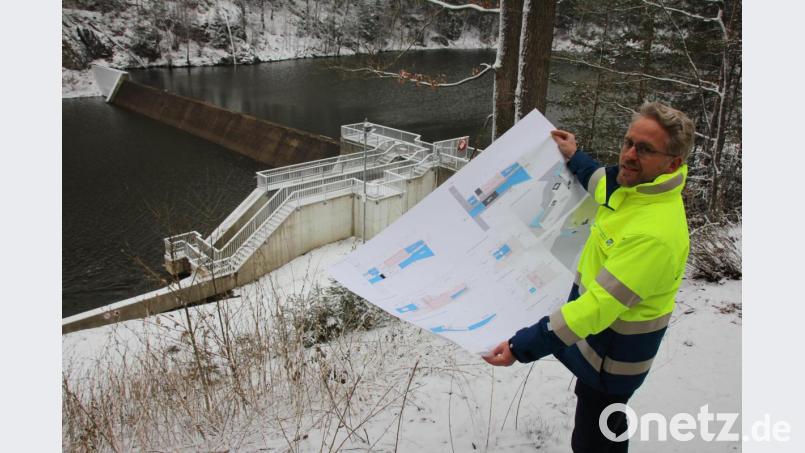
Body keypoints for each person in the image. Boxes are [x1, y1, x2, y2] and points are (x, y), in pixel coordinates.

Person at [483, 102, 695, 452]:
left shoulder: (655, 234)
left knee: (594, 438)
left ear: (672, 163)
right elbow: (601, 182)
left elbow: (596, 308)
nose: (629, 155)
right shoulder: (635, 191)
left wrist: (522, 347)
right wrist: (573, 155)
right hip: (601, 348)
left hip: (614, 361)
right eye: (628, 142)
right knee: (600, 419)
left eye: (644, 149)